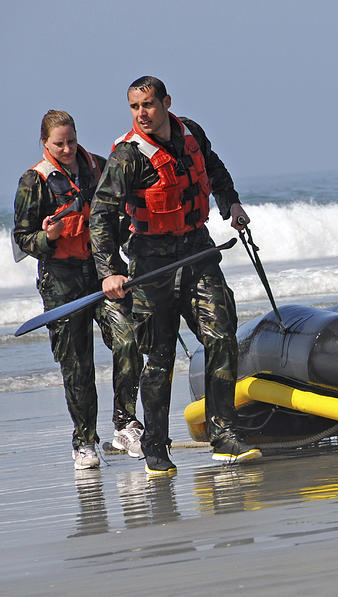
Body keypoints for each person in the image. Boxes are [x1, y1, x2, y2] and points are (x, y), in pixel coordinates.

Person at [90, 76, 261, 475]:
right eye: (134, 107)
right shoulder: (127, 157)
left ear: (166, 102)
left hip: (198, 249)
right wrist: (109, 272)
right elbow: (100, 217)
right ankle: (154, 445)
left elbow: (214, 169)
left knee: (221, 336)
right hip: (151, 263)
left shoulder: (191, 133)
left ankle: (224, 436)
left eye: (148, 105)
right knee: (160, 356)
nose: (142, 114)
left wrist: (230, 204)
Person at [13, 110, 143, 469]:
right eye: (59, 143)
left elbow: (124, 216)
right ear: (45, 143)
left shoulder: (99, 168)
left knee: (129, 339)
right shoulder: (33, 182)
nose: (68, 148)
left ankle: (125, 423)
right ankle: (84, 442)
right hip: (61, 283)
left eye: (71, 140)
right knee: (77, 366)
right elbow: (22, 239)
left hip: (103, 272)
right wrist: (46, 236)